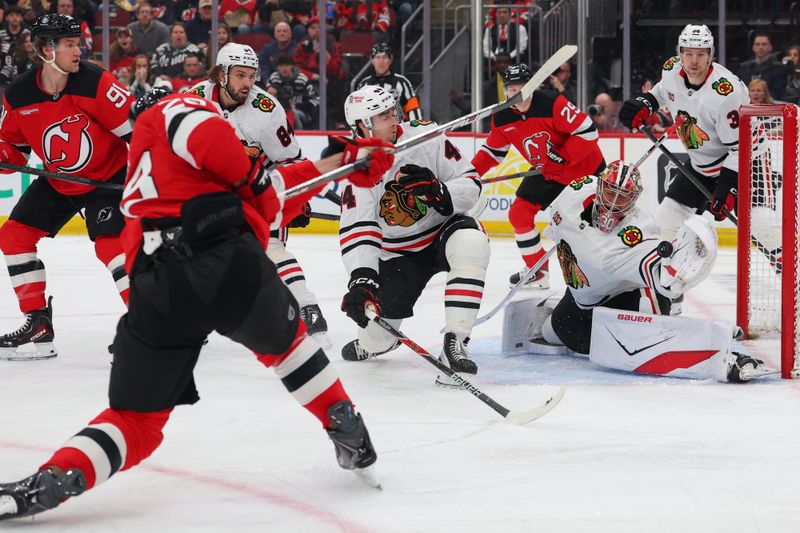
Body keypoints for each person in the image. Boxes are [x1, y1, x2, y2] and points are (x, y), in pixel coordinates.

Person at [0, 87, 398, 520]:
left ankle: (53, 478)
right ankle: (345, 425)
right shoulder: (181, 110)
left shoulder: (143, 159)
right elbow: (257, 193)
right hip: (226, 259)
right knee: (289, 348)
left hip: (158, 285)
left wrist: (338, 164)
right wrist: (268, 179)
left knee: (135, 421)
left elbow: (263, 193)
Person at [528, 161, 768, 382]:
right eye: (611, 192)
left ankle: (682, 339)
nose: (613, 203)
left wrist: (681, 264)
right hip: (583, 302)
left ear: (634, 200)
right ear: (600, 186)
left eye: (622, 198)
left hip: (623, 304)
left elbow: (665, 278)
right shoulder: (574, 194)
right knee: (553, 333)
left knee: (647, 306)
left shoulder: (639, 231)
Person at [0, 14, 134, 361]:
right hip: (59, 181)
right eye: (69, 44)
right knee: (14, 234)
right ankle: (38, 323)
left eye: (78, 43)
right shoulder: (19, 94)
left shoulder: (95, 82)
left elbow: (140, 132)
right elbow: (11, 148)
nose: (79, 50)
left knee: (111, 246)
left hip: (110, 178)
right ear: (46, 49)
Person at [338, 85, 490, 386]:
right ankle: (374, 344)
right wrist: (363, 277)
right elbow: (361, 228)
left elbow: (470, 180)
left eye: (391, 111)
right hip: (396, 254)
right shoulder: (357, 167)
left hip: (441, 233)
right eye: (382, 116)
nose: (393, 119)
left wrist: (443, 193)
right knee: (377, 338)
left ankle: (455, 343)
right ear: (361, 126)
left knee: (472, 243)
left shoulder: (425, 136)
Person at [190, 43, 331, 341]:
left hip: (260, 189)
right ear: (221, 74)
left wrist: (295, 196)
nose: (247, 83)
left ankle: (307, 306)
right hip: (212, 193)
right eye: (240, 75)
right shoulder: (193, 100)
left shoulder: (266, 109)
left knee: (271, 250)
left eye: (252, 76)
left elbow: (291, 159)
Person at [619, 24, 750, 314]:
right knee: (667, 220)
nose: (693, 61)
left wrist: (729, 186)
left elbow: (741, 147)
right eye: (688, 54)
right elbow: (663, 93)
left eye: (701, 54)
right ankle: (669, 293)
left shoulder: (725, 91)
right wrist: (646, 102)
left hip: (742, 164)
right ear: (679, 53)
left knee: (763, 229)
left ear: (711, 55)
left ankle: (790, 280)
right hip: (701, 166)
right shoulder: (671, 69)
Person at [471, 63, 605, 290]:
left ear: (533, 86)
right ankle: (538, 270)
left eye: (521, 88)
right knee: (519, 214)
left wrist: (561, 159)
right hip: (547, 171)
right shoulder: (502, 116)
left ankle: (607, 274)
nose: (516, 94)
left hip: (584, 169)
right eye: (511, 89)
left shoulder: (553, 103)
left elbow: (589, 131)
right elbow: (492, 153)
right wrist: (469, 175)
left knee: (596, 226)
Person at [356, 42, 421, 122]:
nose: (381, 61)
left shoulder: (403, 82)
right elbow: (357, 113)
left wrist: (416, 130)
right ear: (372, 60)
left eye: (384, 57)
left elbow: (413, 110)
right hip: (372, 133)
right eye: (377, 57)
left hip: (399, 131)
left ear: (390, 60)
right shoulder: (363, 85)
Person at [267, 54, 318, 130]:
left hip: (301, 112)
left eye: (287, 65)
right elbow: (267, 96)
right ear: (277, 67)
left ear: (292, 66)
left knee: (294, 115)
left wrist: (303, 106)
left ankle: (298, 137)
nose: (284, 68)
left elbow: (316, 99)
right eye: (281, 66)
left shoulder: (302, 79)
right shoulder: (274, 78)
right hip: (279, 112)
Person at [737, 32, 787, 101]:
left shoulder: (779, 69)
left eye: (764, 44)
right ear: (753, 47)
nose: (760, 47)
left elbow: (778, 93)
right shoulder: (744, 68)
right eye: (757, 44)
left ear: (770, 47)